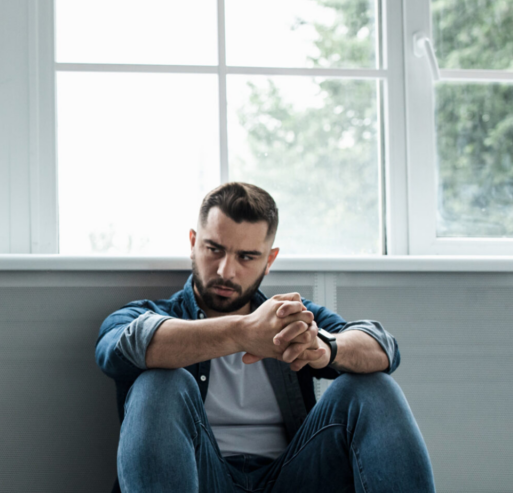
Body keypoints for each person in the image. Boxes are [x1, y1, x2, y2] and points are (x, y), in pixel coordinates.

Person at [95, 182, 435, 493]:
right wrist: (243, 333)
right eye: (214, 249)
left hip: (293, 477)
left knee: (373, 387)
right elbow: (121, 345)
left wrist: (325, 349)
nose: (227, 270)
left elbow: (382, 346)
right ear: (193, 243)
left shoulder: (292, 317)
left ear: (269, 260)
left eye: (246, 257)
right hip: (202, 477)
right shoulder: (148, 313)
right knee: (159, 383)